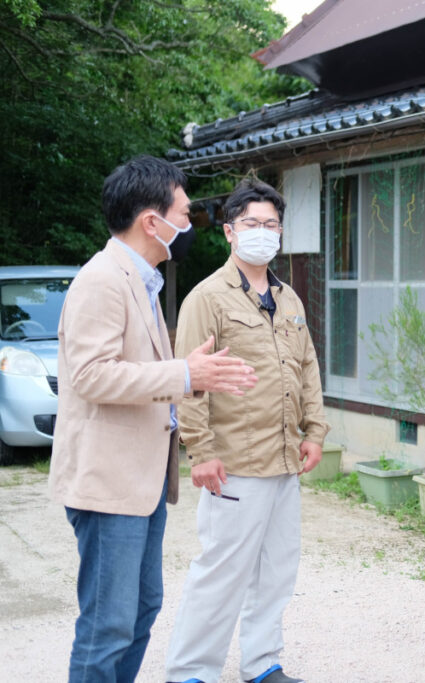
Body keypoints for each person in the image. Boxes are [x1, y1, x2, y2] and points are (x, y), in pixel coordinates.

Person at [49, 155, 259, 683]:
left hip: (140, 483)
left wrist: (188, 375)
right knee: (108, 624)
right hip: (109, 484)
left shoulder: (141, 281)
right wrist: (183, 374)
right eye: (184, 214)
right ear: (152, 221)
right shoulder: (102, 280)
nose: (189, 225)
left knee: (140, 612)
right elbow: (93, 376)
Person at [164, 178, 329, 683]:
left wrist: (315, 431)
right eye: (252, 224)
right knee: (222, 572)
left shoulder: (290, 299)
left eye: (271, 224)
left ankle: (262, 664)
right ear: (231, 232)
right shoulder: (207, 298)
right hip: (233, 461)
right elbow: (190, 381)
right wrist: (200, 451)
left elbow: (307, 370)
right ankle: (191, 671)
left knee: (276, 571)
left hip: (283, 459)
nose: (263, 232)